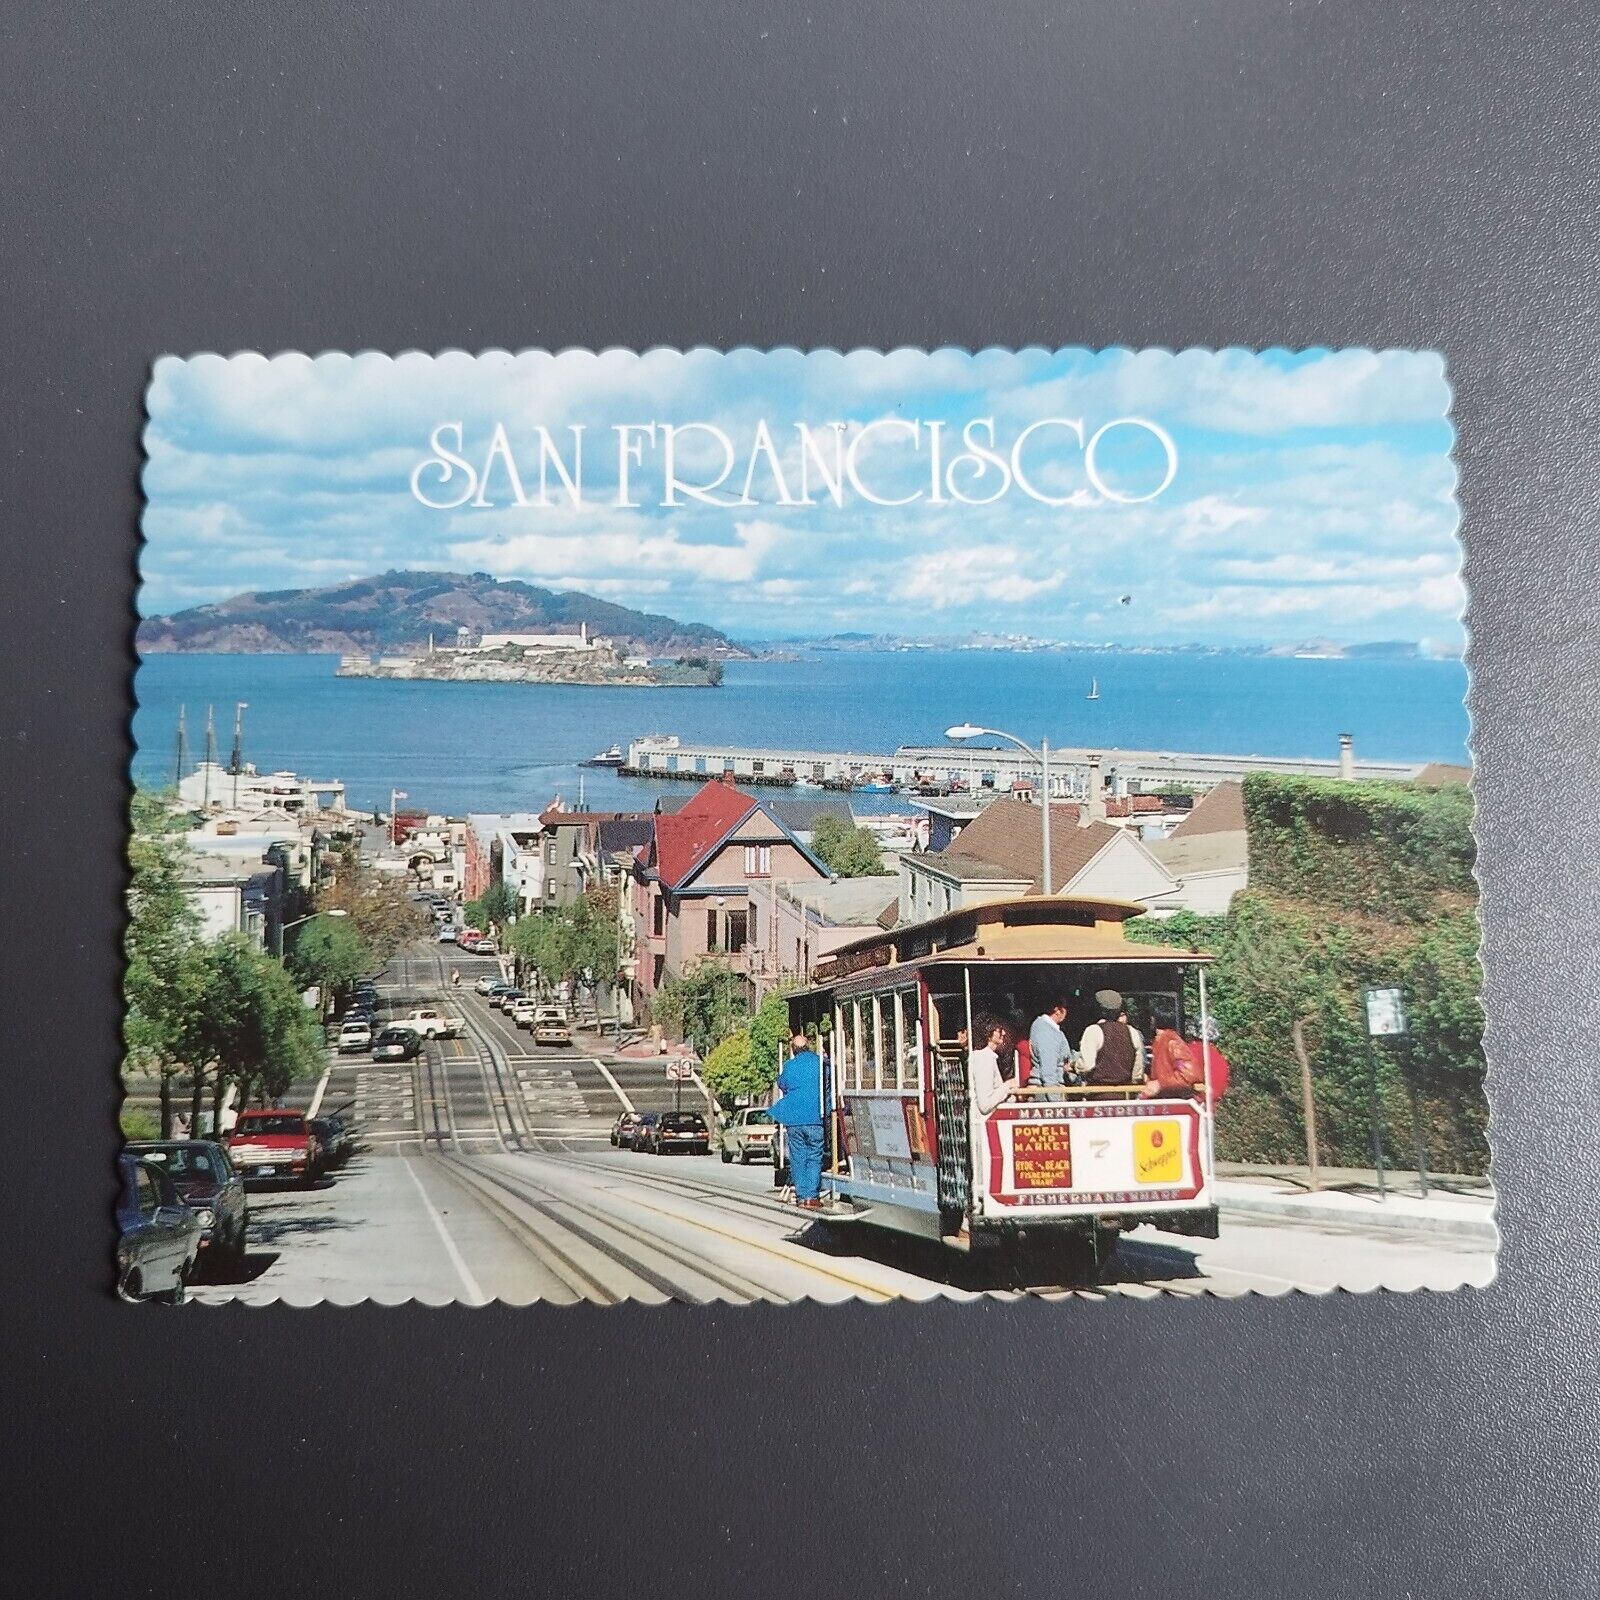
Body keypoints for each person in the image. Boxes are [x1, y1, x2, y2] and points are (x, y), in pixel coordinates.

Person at [770, 1028, 830, 1210]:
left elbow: (782, 1083)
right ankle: (812, 1196)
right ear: (809, 1047)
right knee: (814, 1156)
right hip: (815, 1117)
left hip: (795, 1120)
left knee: (798, 1157)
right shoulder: (821, 1063)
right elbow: (828, 1084)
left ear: (793, 1049)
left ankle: (802, 1195)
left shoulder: (789, 1066)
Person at [1078, 989, 1145, 1086]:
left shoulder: (1093, 1031)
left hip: (1099, 1094)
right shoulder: (1132, 1031)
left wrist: (1074, 1065)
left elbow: (1087, 1065)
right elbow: (1138, 1070)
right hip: (1125, 1093)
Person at [968, 1014, 1020, 1118]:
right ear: (988, 1033)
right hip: (986, 1125)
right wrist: (1008, 1085)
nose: (1003, 1033)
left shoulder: (985, 1056)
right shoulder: (983, 1058)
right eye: (999, 1029)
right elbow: (985, 1105)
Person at [1027, 999, 1071, 1094]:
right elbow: (1048, 1071)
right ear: (1058, 1010)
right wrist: (1056, 1103)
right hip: (1046, 1091)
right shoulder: (1046, 1032)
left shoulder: (1045, 1028)